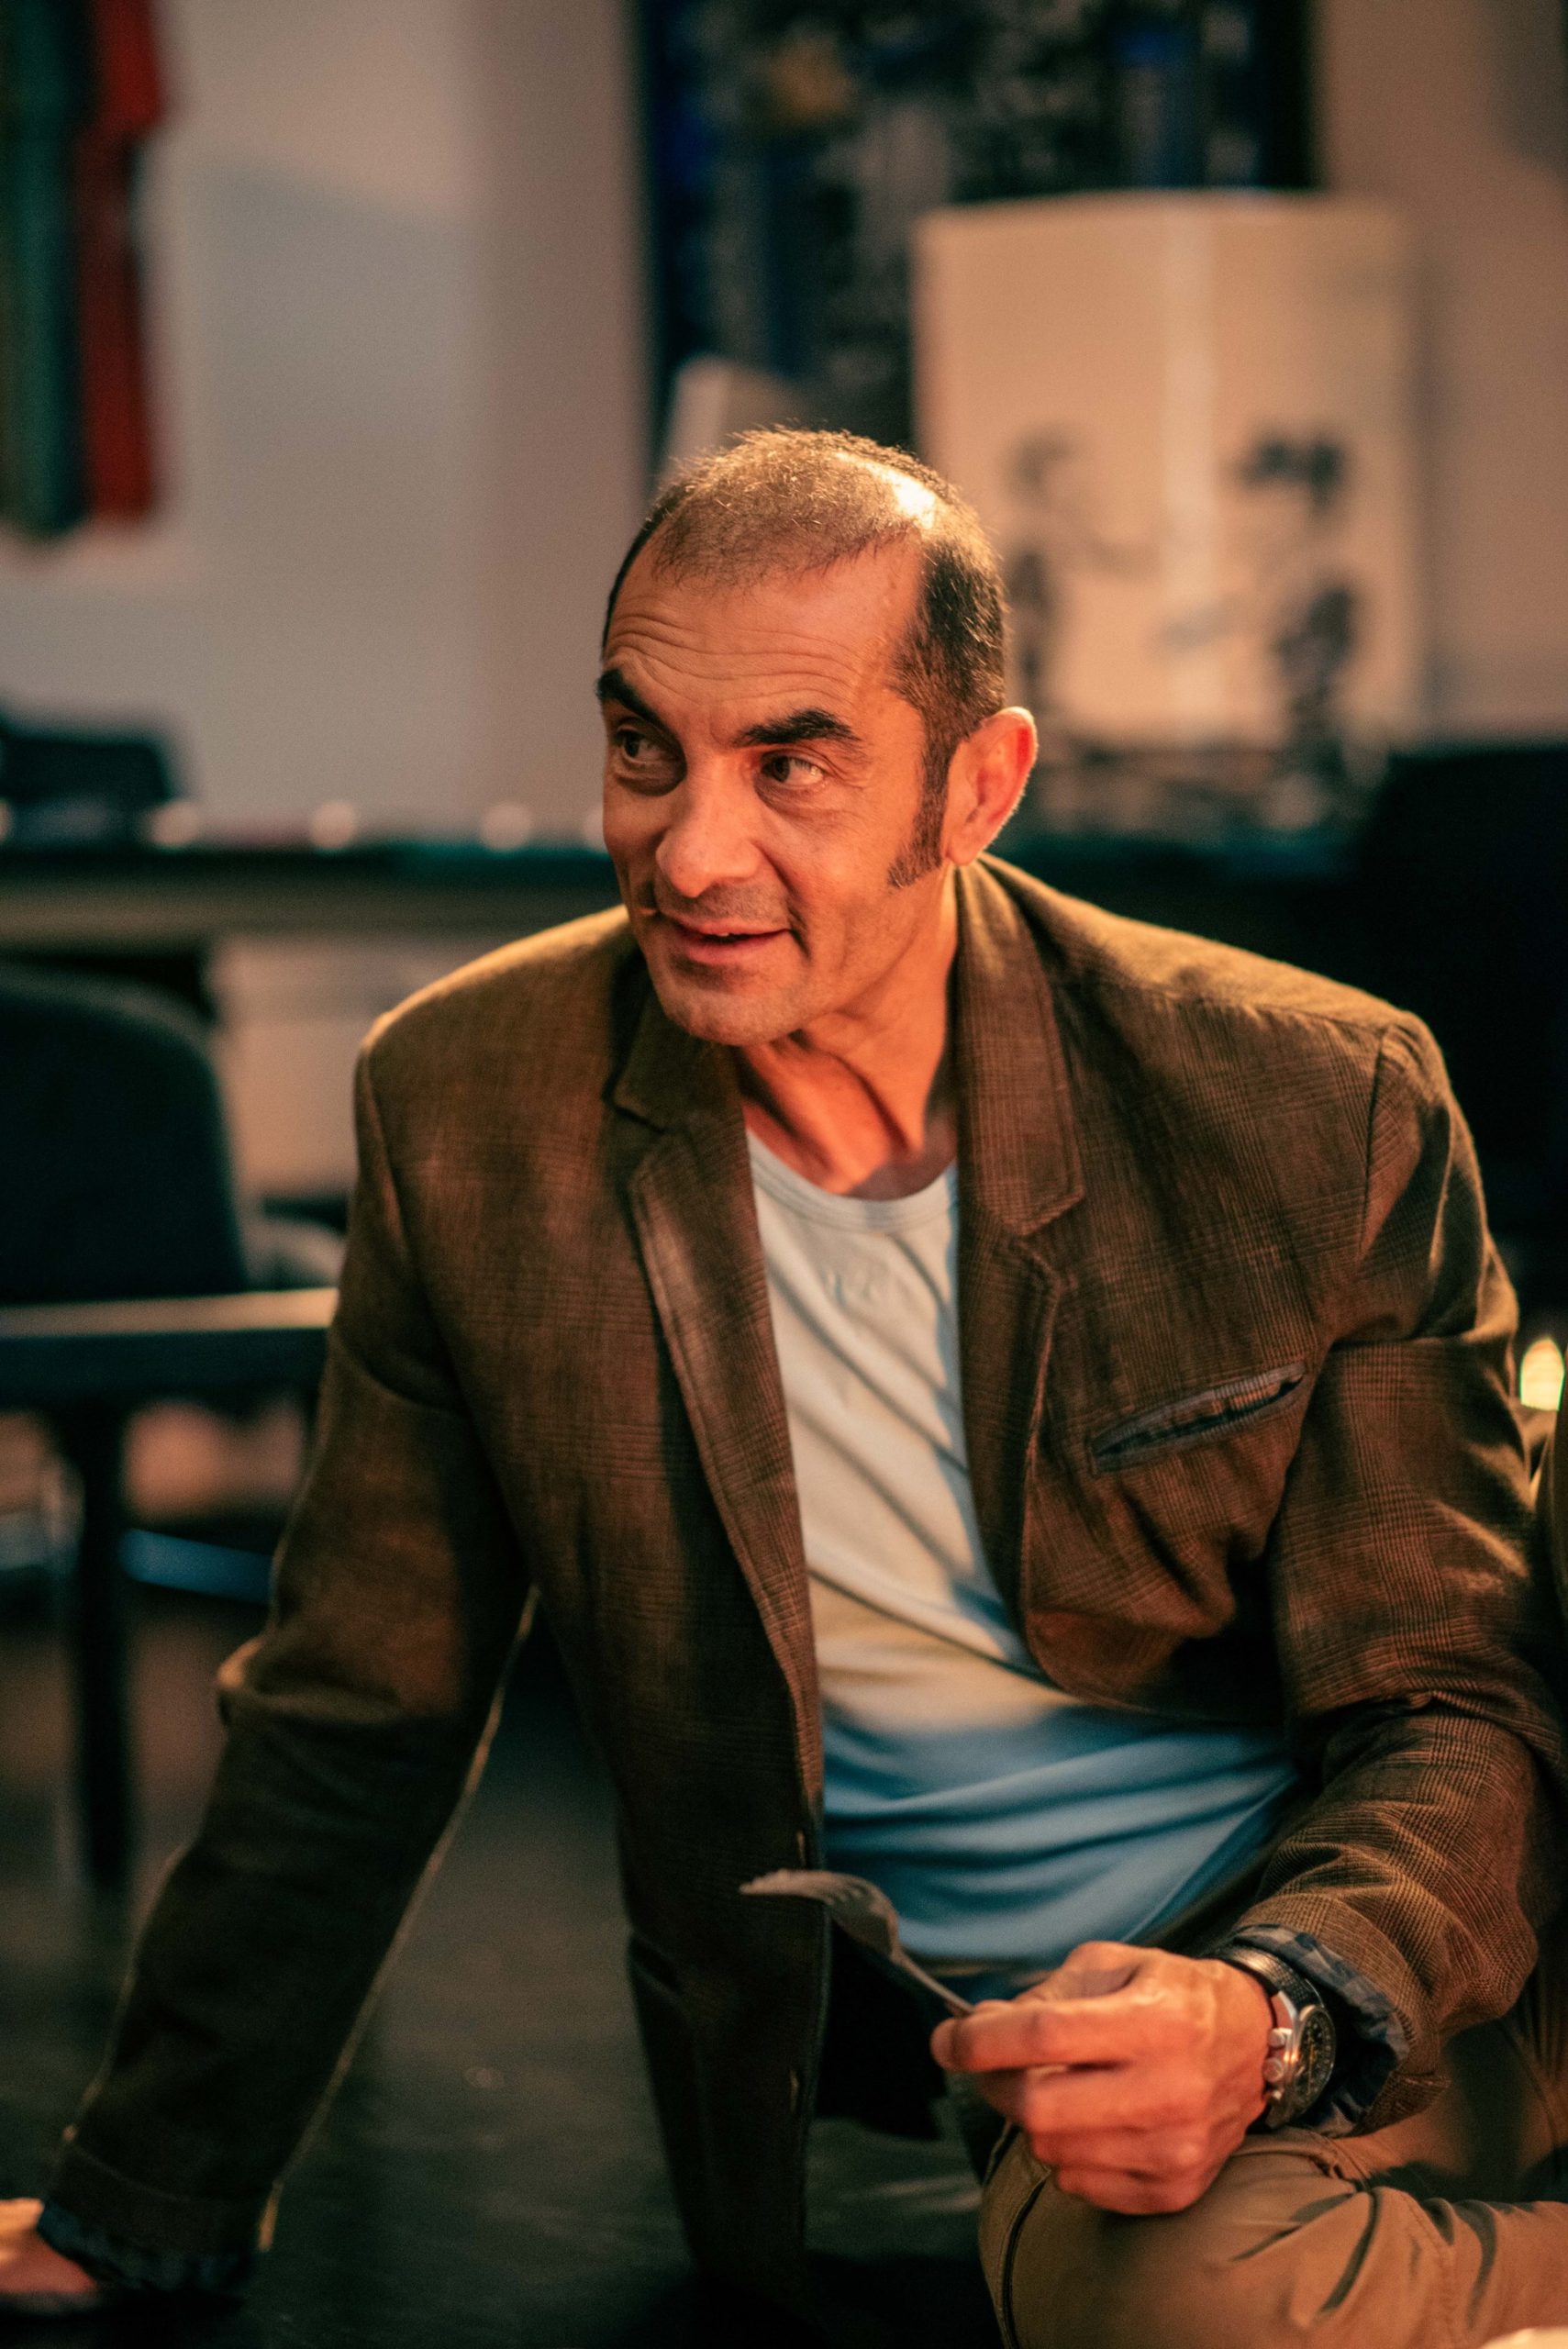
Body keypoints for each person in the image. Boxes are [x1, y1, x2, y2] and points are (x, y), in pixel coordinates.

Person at [2, 429, 1566, 2345]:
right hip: (1019, 2065)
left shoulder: (1309, 1098)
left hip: (1359, 1959)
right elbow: (356, 1707)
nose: (688, 848)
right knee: (1156, 2292)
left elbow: (1453, 1702)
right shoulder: (469, 1106)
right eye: (643, 747)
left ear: (977, 785)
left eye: (790, 763)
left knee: (1185, 2288)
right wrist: (138, 2209)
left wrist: (1278, 2005)